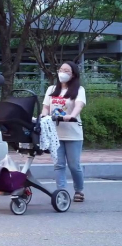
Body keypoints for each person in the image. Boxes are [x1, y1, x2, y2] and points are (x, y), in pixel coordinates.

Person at [40, 61, 87, 202]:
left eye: (67, 71)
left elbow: (79, 105)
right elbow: (45, 108)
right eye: (61, 70)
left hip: (73, 133)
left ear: (73, 75)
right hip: (55, 134)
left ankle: (79, 190)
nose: (63, 73)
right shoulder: (51, 89)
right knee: (58, 164)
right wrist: (43, 115)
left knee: (74, 165)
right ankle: (61, 191)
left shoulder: (79, 90)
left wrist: (71, 116)